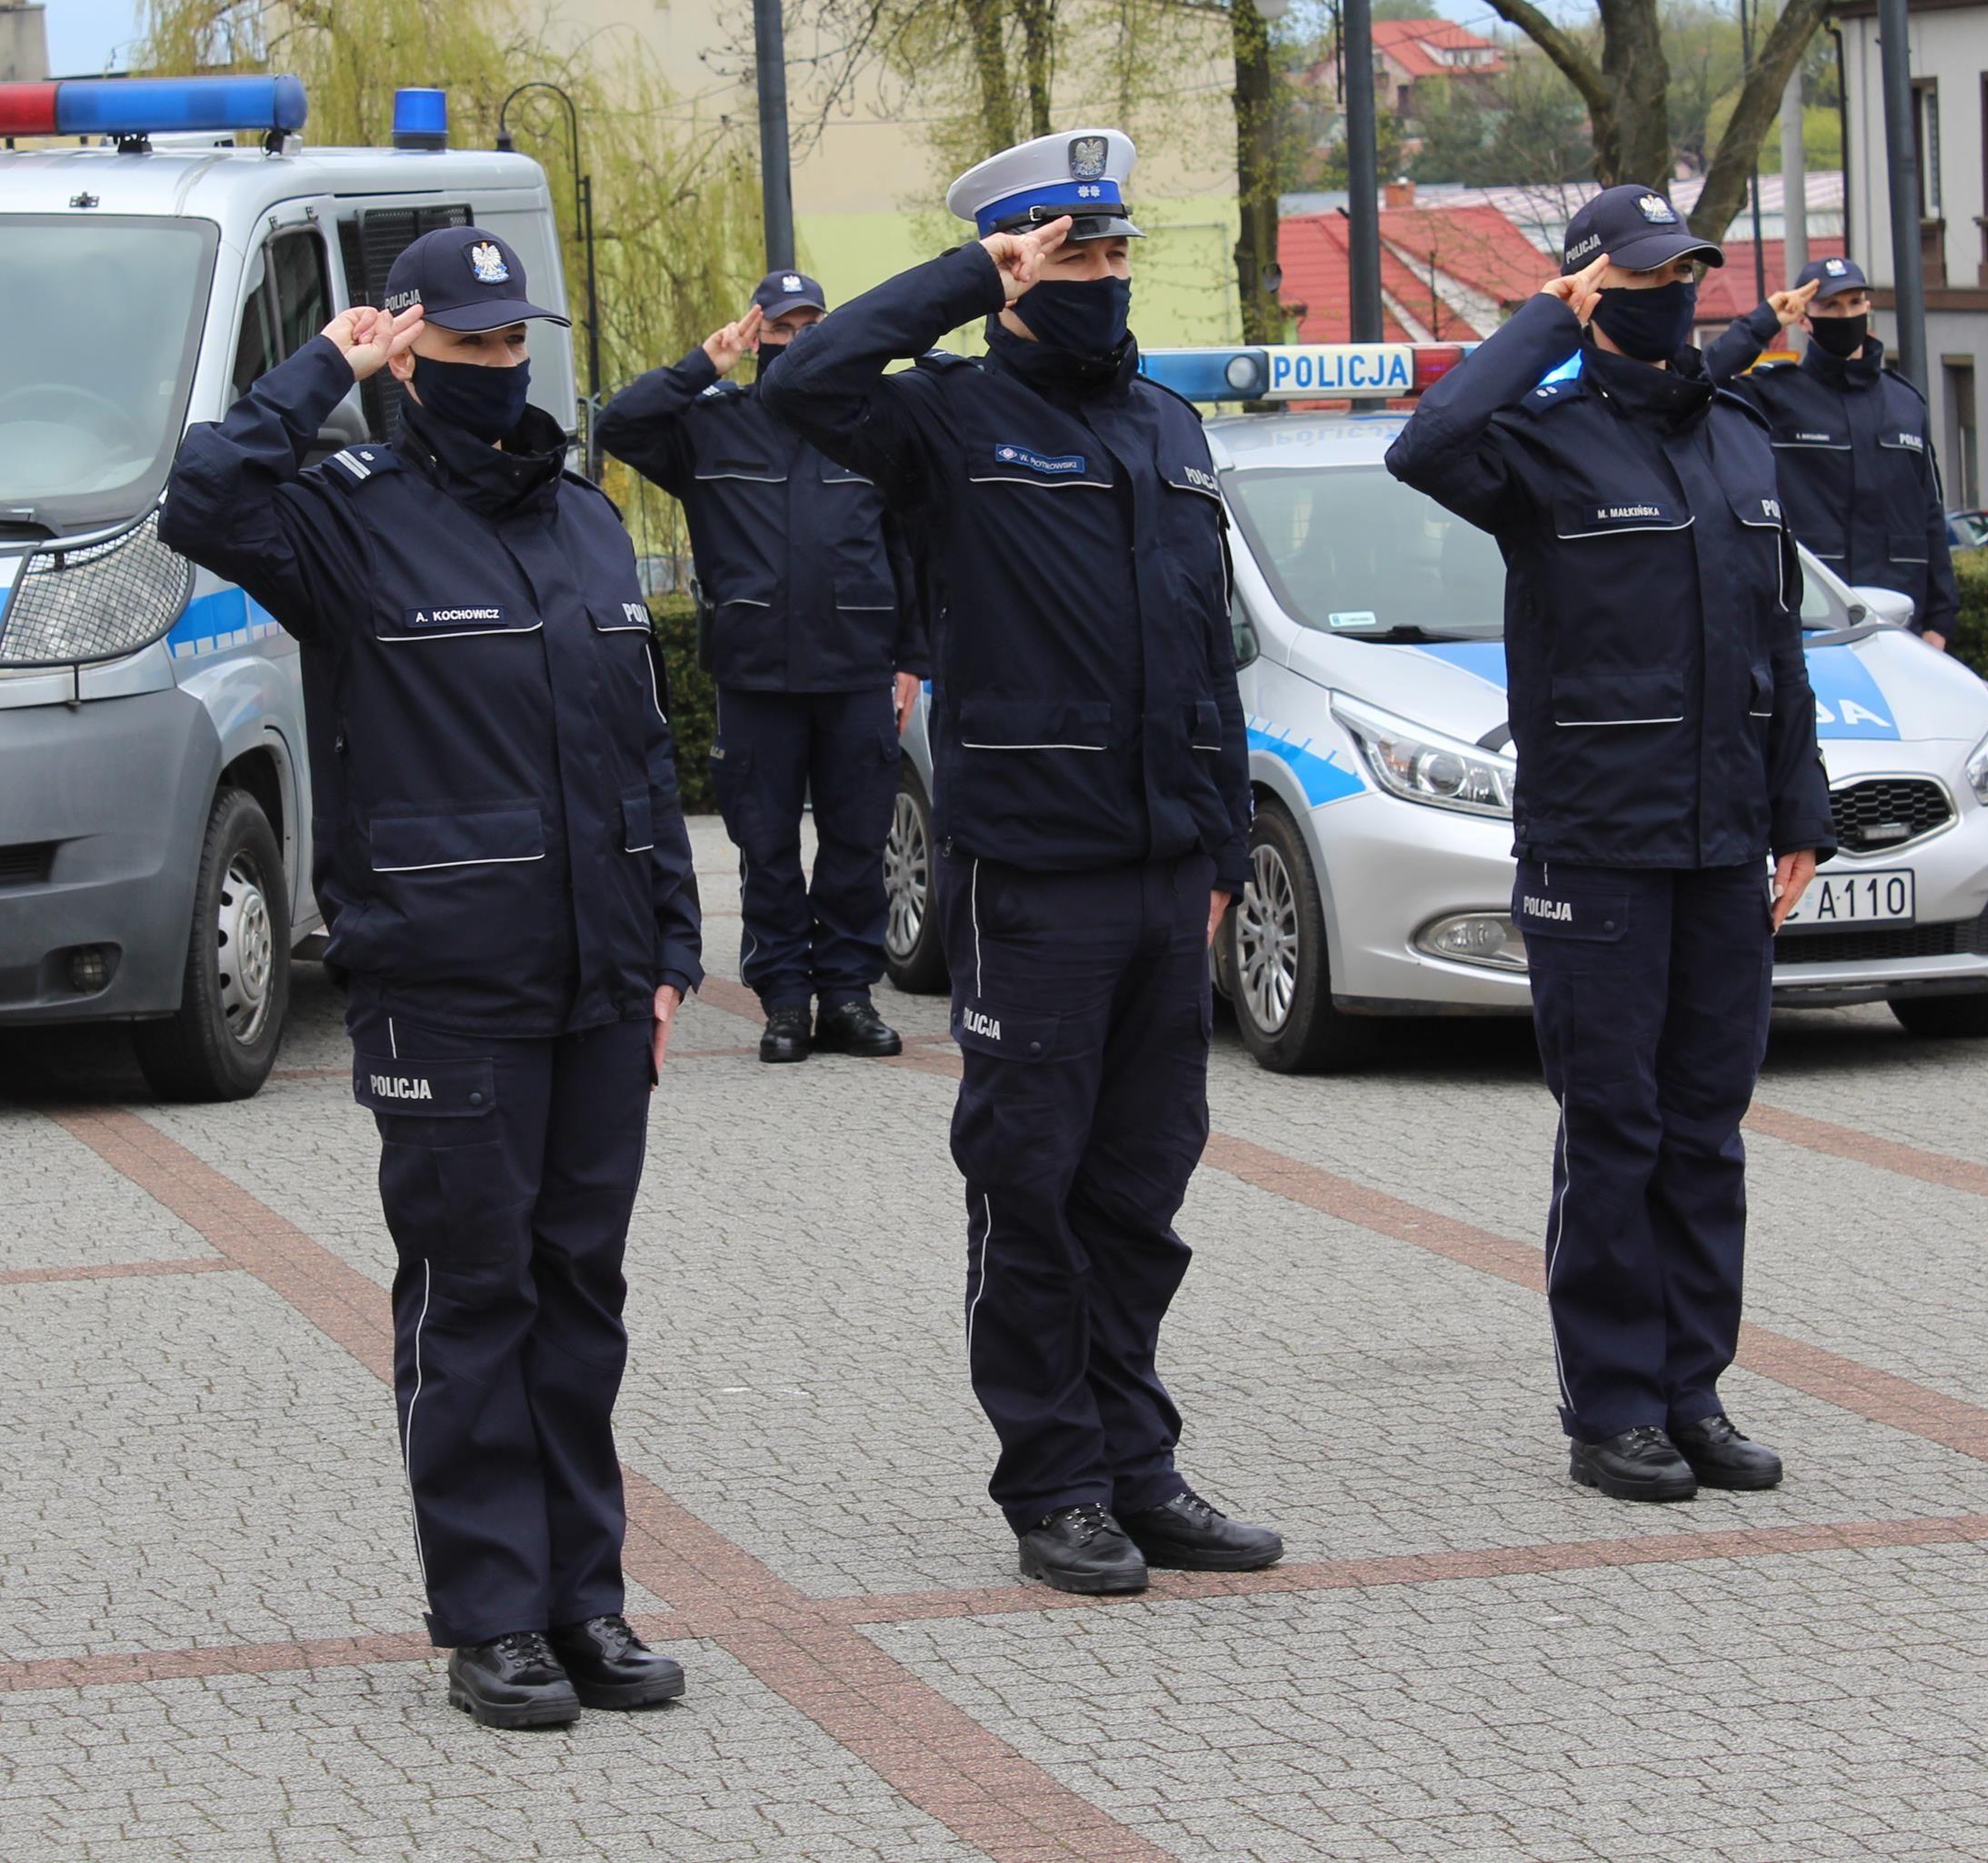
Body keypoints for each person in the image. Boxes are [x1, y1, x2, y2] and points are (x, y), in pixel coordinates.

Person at [162, 226, 704, 1729]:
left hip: (597, 983)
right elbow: (197, 495)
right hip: (445, 982)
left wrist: (669, 947)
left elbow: (640, 755)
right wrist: (318, 370)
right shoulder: (346, 521)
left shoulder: (589, 523)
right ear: (408, 350)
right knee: (472, 1298)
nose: (496, 365)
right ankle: (488, 1614)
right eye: (460, 344)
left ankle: (582, 1597)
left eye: (507, 339)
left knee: (577, 1292)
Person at [760, 127, 1284, 1595]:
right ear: (1012, 264)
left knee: (1139, 1190)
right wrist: (954, 280)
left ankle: (1136, 1462)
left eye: (1116, 252)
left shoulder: (1167, 431)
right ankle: (1049, 1479)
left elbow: (1204, 653)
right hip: (1032, 877)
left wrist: (1222, 840)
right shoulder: (949, 421)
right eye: (1071, 253)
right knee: (1029, 1182)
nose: (1103, 277)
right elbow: (800, 384)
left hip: (1160, 876)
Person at [1385, 185, 1836, 1505]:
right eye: (1644, 272)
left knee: (1708, 1129)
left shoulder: (1741, 439)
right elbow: (1429, 441)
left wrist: (1797, 810)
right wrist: (1543, 317)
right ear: (1592, 287)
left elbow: (1777, 642)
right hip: (1596, 842)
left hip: (1720, 844)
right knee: (1617, 1127)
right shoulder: (1540, 444)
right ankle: (1613, 1406)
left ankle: (1693, 1392)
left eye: (1689, 266)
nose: (1675, 288)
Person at [594, 269, 924, 1064]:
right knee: (767, 847)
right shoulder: (712, 426)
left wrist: (913, 657)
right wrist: (705, 363)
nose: (797, 340)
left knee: (856, 843)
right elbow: (618, 423)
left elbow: (908, 546)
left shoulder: (865, 426)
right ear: (757, 334)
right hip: (755, 677)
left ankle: (846, 997)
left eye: (814, 325)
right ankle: (784, 1001)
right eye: (782, 327)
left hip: (856, 672)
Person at [1700, 255, 1960, 650]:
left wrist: (1941, 622)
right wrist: (1766, 320)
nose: (1846, 314)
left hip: (1901, 628)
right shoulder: (1774, 395)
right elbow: (1697, 380)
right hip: (1810, 627)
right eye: (1832, 306)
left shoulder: (1906, 404)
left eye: (1855, 303)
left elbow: (1930, 514)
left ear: (1868, 309)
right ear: (1805, 318)